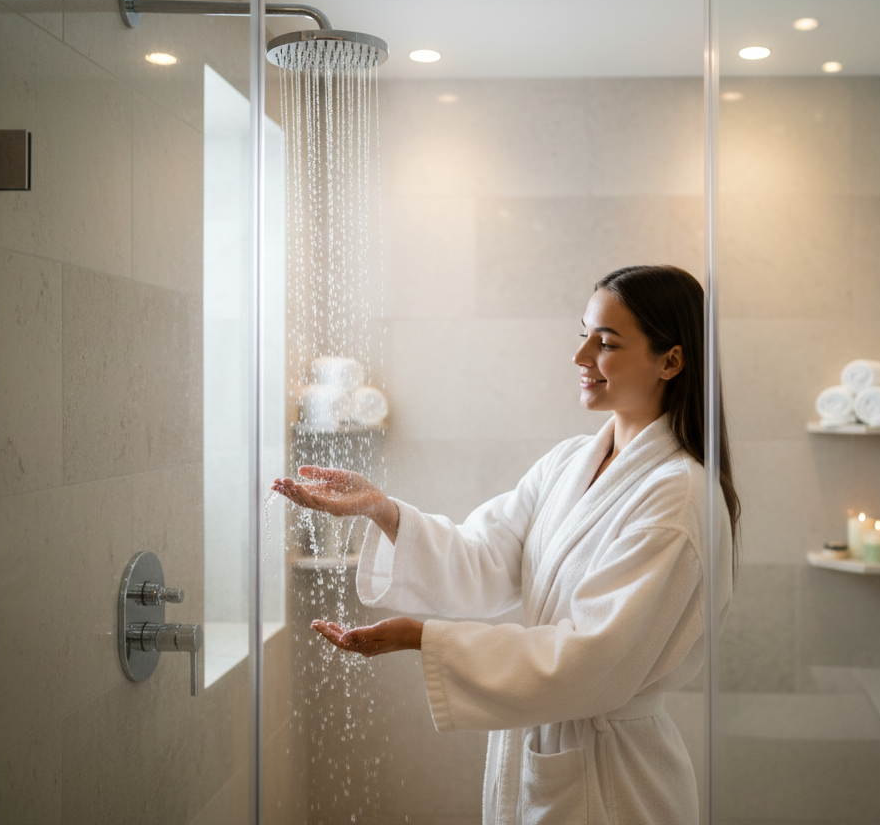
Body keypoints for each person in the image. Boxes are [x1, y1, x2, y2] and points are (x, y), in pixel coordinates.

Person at [273, 264, 740, 824]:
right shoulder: (571, 461)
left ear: (671, 361)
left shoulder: (678, 497)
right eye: (584, 335)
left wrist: (421, 637)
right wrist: (383, 511)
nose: (580, 356)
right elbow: (486, 556)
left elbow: (595, 659)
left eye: (606, 342)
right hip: (552, 748)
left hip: (617, 781)